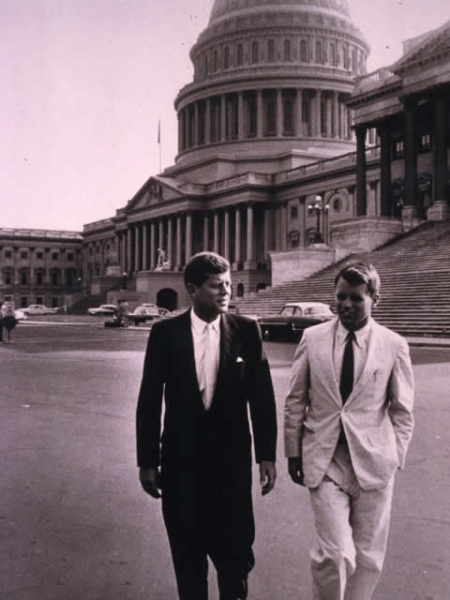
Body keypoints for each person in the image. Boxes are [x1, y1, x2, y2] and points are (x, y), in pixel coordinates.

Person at [136, 251, 277, 600]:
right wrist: (147, 461)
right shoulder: (165, 333)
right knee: (188, 561)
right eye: (216, 286)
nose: (226, 292)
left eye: (228, 284)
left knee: (235, 560)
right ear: (192, 290)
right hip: (181, 465)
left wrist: (267, 456)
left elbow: (262, 398)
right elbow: (150, 399)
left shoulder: (247, 330)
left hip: (231, 468)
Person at [285, 261, 414, 600]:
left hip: (374, 462)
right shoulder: (312, 338)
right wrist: (293, 451)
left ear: (375, 299)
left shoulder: (393, 344)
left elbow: (402, 409)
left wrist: (395, 455)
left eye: (356, 298)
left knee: (369, 558)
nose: (346, 305)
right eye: (341, 297)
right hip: (325, 460)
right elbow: (295, 399)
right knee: (336, 554)